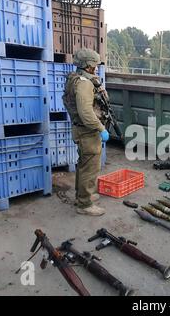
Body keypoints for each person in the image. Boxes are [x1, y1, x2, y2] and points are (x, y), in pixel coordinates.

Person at [62, 48, 109, 216]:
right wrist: (101, 128)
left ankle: (81, 196)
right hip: (87, 132)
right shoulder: (84, 83)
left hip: (82, 130)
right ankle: (84, 204)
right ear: (88, 65)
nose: (96, 67)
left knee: (83, 164)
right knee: (90, 167)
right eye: (95, 65)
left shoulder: (75, 79)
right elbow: (86, 112)